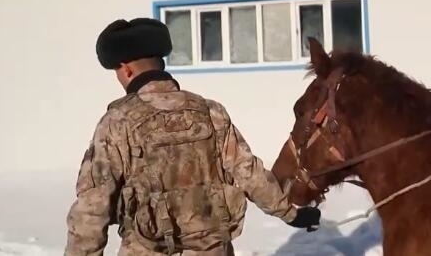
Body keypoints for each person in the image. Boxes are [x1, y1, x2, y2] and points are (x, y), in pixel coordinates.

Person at [65, 18, 321, 256]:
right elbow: (248, 172)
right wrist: (290, 214)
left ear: (127, 70)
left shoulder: (116, 122)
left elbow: (92, 207)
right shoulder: (210, 112)